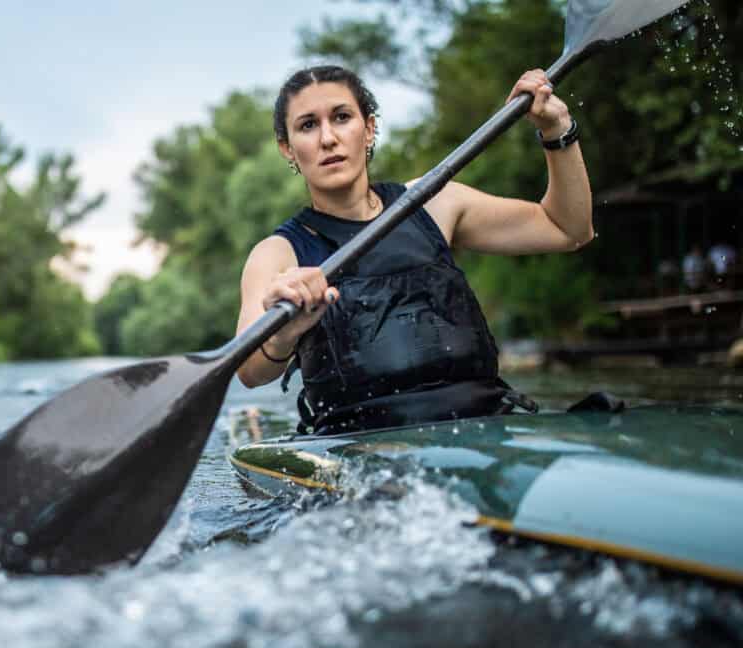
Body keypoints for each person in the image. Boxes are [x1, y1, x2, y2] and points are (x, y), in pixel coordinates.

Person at [235, 65, 592, 435]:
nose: (328, 138)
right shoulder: (278, 254)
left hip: (484, 427)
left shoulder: (434, 201)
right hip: (360, 451)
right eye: (308, 125)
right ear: (287, 148)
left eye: (341, 117)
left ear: (369, 128)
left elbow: (568, 229)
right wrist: (283, 334)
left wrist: (557, 130)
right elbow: (248, 371)